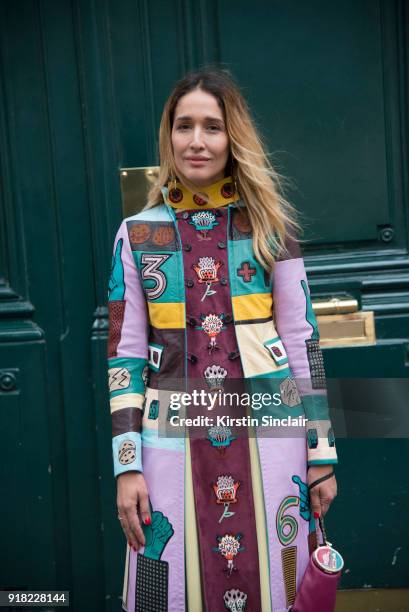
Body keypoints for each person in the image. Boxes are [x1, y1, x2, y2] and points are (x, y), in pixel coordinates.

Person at [107, 68, 338, 612]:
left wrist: (322, 452)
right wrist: (127, 464)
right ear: (169, 136)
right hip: (167, 444)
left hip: (272, 436)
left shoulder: (270, 228)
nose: (196, 141)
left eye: (212, 126)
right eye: (183, 126)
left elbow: (305, 342)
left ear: (232, 137)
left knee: (279, 583)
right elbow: (124, 355)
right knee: (168, 585)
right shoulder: (139, 235)